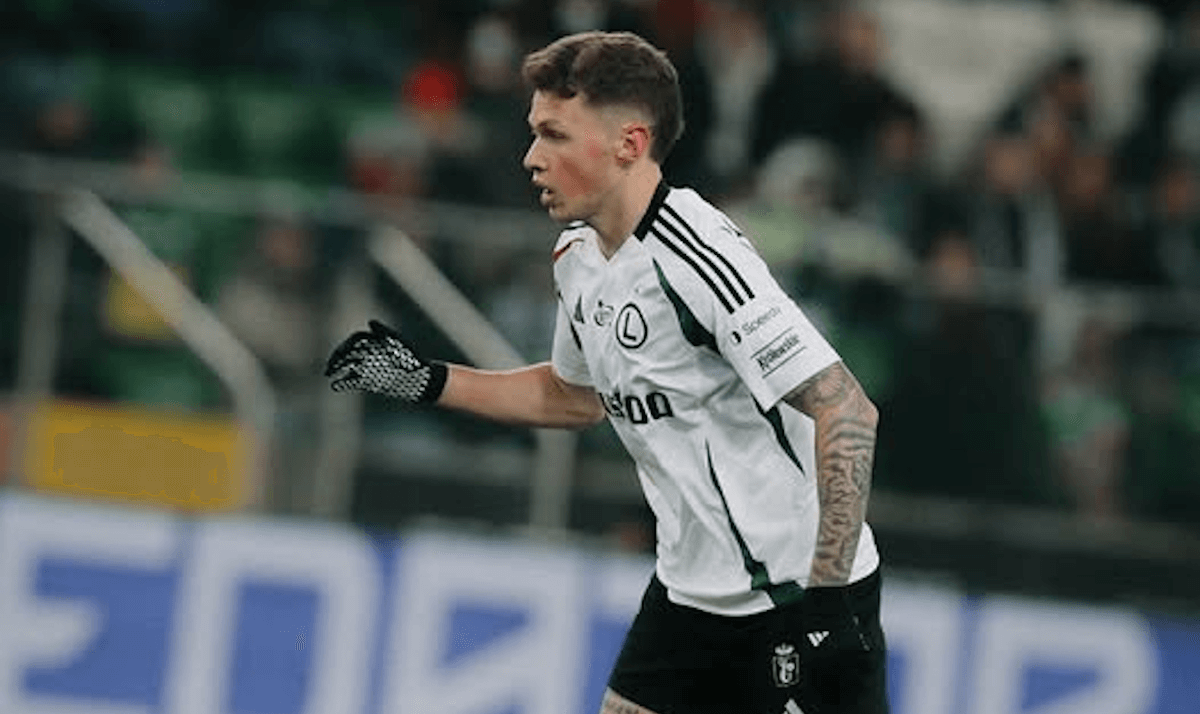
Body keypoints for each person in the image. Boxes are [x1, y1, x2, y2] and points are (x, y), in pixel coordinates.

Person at [325, 31, 888, 714]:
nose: (531, 157)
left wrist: (828, 606)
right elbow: (573, 397)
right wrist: (429, 380)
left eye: (554, 135)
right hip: (689, 595)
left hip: (796, 596)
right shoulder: (579, 256)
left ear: (629, 143)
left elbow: (847, 411)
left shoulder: (699, 256)